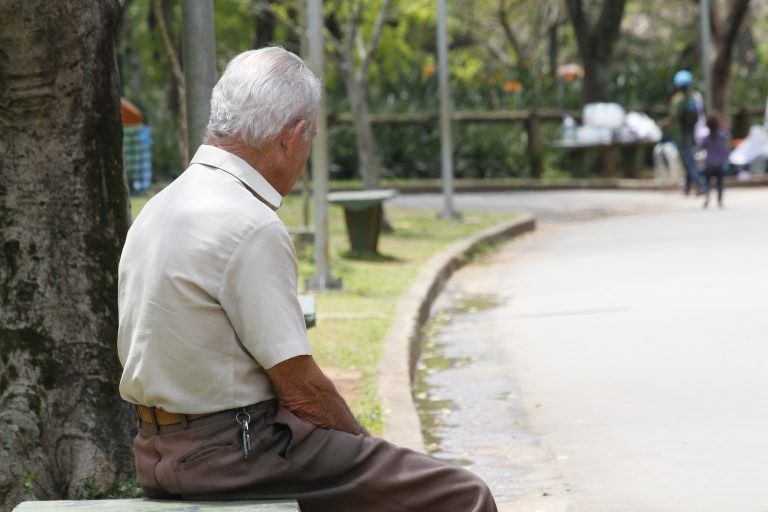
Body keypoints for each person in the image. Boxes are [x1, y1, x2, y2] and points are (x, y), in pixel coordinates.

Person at [117, 47, 497, 512]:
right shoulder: (249, 223)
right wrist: (365, 447)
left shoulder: (160, 205)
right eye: (311, 138)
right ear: (292, 137)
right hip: (234, 453)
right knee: (463, 495)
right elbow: (302, 390)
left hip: (154, 451)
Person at [668, 69, 704, 195]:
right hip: (692, 132)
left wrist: (665, 124)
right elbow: (697, 117)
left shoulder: (677, 99)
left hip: (682, 134)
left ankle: (700, 185)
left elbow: (674, 117)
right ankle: (687, 187)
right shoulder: (692, 98)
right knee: (688, 158)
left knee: (689, 160)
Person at [700, 115, 729, 208]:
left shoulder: (706, 138)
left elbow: (702, 147)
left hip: (709, 163)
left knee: (707, 181)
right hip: (720, 163)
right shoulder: (722, 136)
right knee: (720, 182)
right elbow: (726, 146)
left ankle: (707, 195)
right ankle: (720, 200)